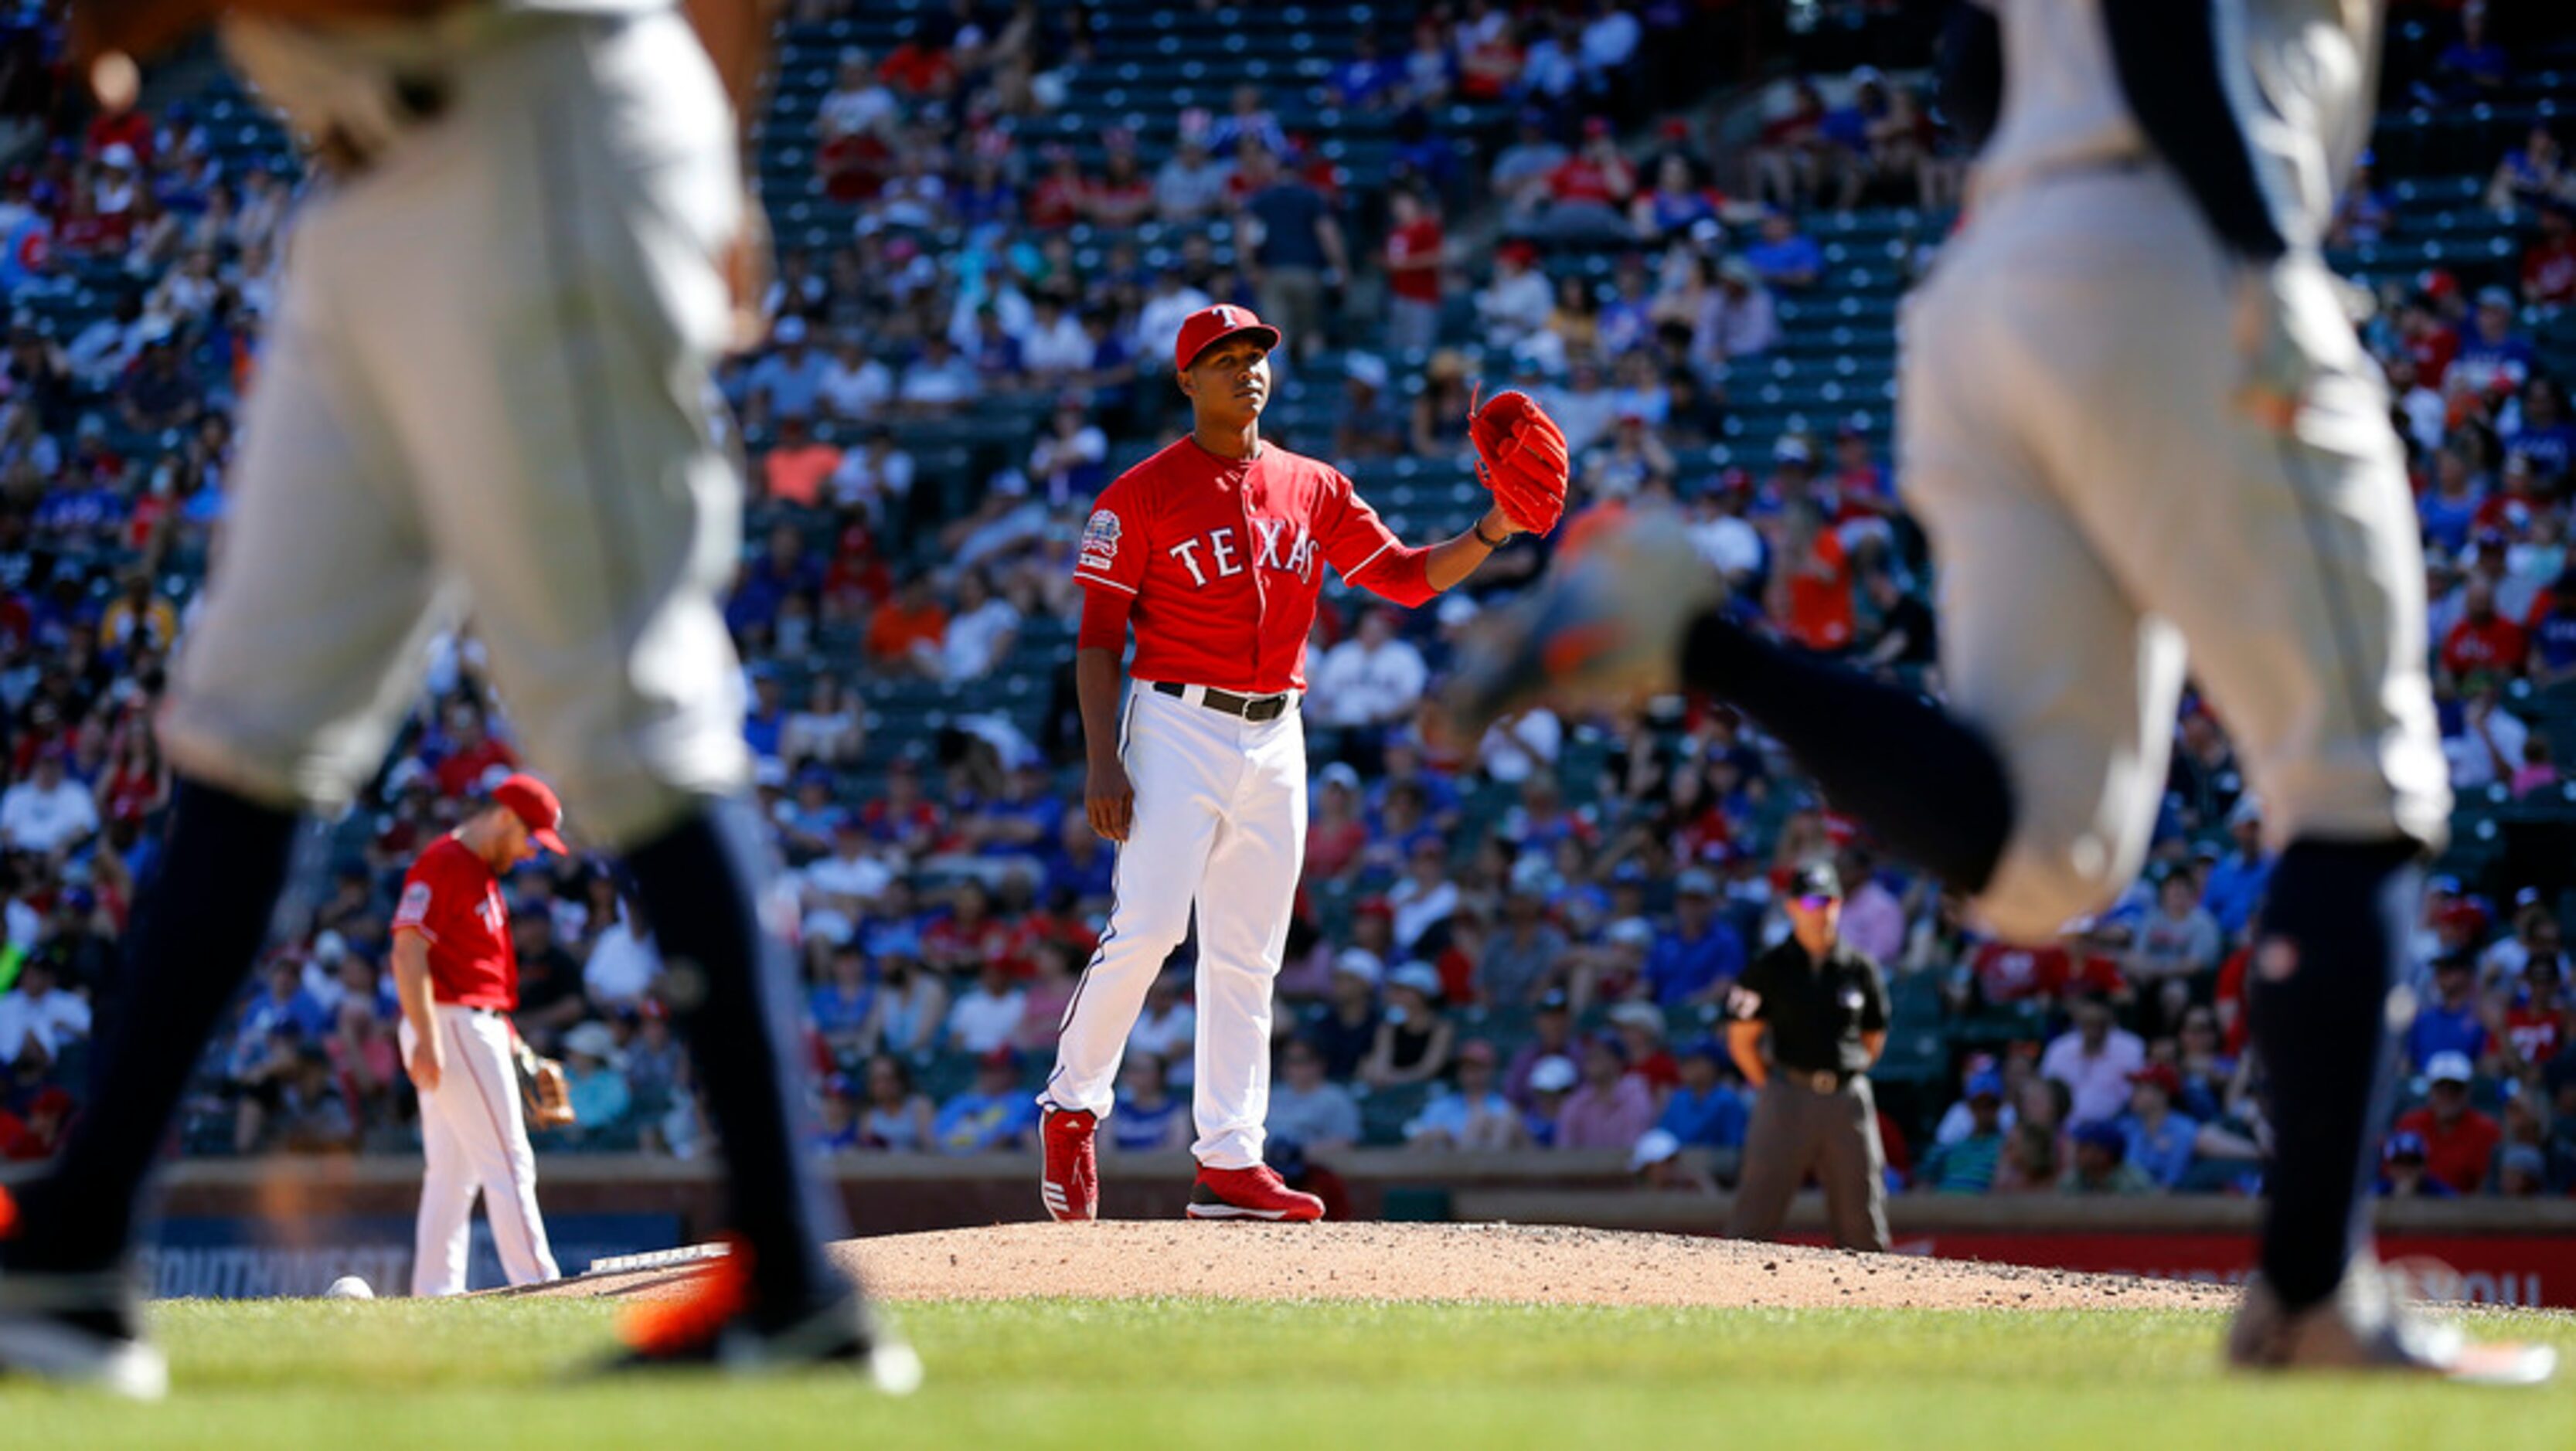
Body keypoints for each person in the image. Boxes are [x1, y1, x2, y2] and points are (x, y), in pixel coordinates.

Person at [1449, 0, 2550, 1380]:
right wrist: (2256, 261)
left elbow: (1970, 66)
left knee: (2040, 857)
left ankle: (1692, 642)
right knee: (2357, 787)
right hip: (2185, 250)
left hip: (1996, 278)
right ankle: (2314, 1292)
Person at [0, 0, 911, 1395]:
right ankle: (75, 1254)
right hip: (364, 180)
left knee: (628, 712)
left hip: (530, 119)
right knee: (248, 721)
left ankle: (792, 1274)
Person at [1033, 303, 1552, 1225]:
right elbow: (1097, 640)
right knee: (1149, 928)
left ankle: (1230, 1162)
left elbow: (1398, 573)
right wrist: (1101, 761)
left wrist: (1493, 528)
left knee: (1248, 955)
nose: (1247, 371)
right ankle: (1074, 1108)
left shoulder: (1313, 485)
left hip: (1280, 730)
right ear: (1186, 380)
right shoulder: (1137, 494)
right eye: (1224, 359)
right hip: (1172, 723)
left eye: (1256, 356)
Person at [390, 775, 568, 1298]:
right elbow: (407, 951)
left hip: (466, 1021)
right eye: (528, 838)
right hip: (449, 1022)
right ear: (505, 818)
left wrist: (511, 1040)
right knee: (509, 1161)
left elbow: (474, 971)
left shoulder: (479, 871)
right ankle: (541, 1285)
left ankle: (434, 1293)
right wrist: (426, 1035)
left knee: (452, 1174)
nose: (530, 851)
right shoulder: (445, 862)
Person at [1722, 860, 1891, 1251]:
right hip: (1787, 1095)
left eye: (1827, 900)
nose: (1820, 910)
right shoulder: (1769, 968)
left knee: (1862, 1219)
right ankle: (1733, 1302)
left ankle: (1871, 1306)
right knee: (1755, 1213)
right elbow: (1741, 1039)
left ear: (1840, 904)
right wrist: (1769, 1083)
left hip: (1846, 1099)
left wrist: (1847, 1078)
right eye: (1810, 901)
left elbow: (1872, 1038)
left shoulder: (1860, 969)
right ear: (1792, 906)